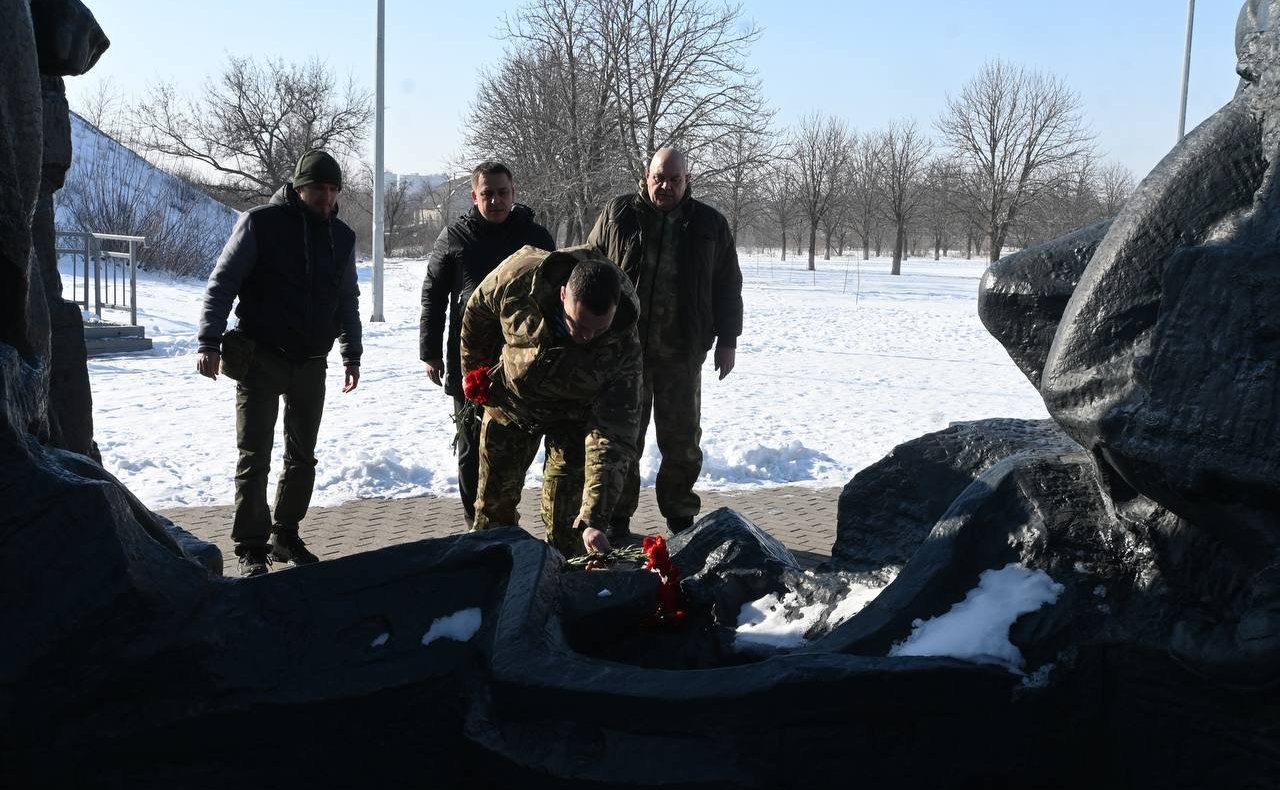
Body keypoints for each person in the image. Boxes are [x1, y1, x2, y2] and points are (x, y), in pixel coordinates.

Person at [195, 150, 362, 577]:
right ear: (298, 187)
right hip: (261, 358)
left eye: (332, 188)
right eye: (317, 188)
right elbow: (222, 283)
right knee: (255, 454)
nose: (325, 196)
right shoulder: (260, 223)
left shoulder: (341, 237)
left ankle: (285, 533)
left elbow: (347, 300)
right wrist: (209, 341)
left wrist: (352, 352)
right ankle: (251, 545)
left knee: (302, 457)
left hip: (312, 362)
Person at [586, 147, 743, 539]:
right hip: (625, 354)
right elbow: (588, 267)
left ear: (687, 180)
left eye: (675, 179)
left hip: (682, 352)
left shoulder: (709, 224)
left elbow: (728, 285)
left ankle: (680, 516)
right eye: (659, 177)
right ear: (646, 175)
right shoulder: (618, 215)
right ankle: (617, 518)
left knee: (682, 440)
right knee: (623, 438)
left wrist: (728, 339)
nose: (666, 186)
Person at [459, 245, 641, 559]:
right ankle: (494, 586)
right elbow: (477, 310)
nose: (587, 337)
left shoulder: (624, 344)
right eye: (579, 326)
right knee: (492, 514)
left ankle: (561, 589)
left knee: (568, 528)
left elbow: (613, 435)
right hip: (511, 406)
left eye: (599, 330)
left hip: (574, 418)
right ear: (561, 296)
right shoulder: (520, 277)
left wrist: (594, 520)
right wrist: (476, 369)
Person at [419, 161, 555, 528]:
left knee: (519, 445)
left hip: (525, 361)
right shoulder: (455, 238)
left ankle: (506, 515)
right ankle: (474, 522)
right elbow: (433, 296)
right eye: (487, 193)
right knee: (471, 447)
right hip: (472, 361)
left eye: (502, 192)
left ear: (514, 193)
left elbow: (557, 298)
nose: (495, 200)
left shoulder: (536, 238)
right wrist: (430, 351)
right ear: (474, 195)